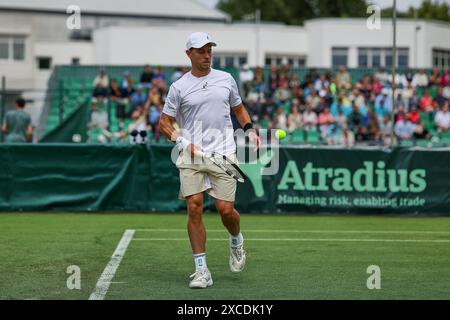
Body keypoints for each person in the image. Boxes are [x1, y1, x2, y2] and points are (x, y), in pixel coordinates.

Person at [159, 32, 260, 289]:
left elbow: (238, 108)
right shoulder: (178, 87)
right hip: (191, 155)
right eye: (201, 51)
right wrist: (182, 142)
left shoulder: (226, 79)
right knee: (194, 206)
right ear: (189, 54)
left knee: (226, 211)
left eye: (209, 50)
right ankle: (202, 270)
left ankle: (236, 239)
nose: (207, 55)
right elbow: (164, 123)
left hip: (224, 152)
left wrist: (249, 129)